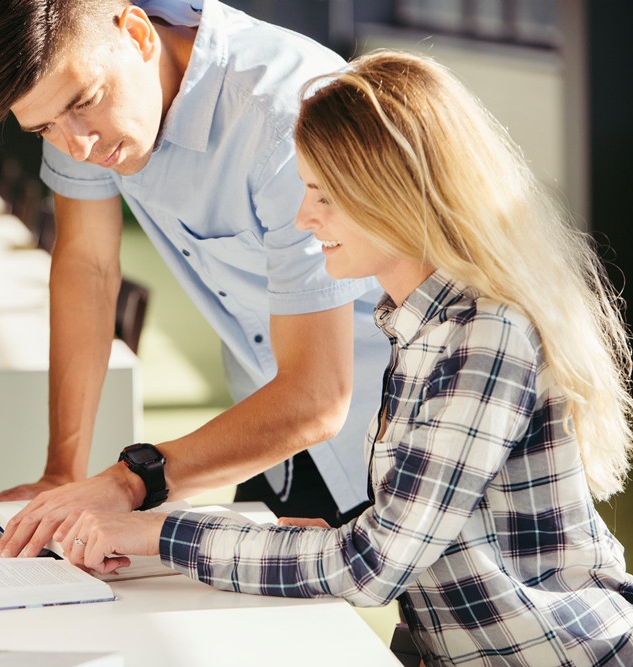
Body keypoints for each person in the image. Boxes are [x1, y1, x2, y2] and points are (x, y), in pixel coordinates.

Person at [55, 50, 633, 665]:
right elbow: (406, 537)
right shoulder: (415, 326)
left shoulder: (485, 337)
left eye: (325, 196)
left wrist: (162, 534)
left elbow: (373, 566)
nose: (304, 218)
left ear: (398, 195)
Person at [0, 0, 391, 554]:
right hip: (271, 427)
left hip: (407, 426)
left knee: (433, 632)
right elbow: (86, 267)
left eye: (85, 103)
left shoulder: (286, 117)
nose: (78, 146)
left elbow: (319, 396)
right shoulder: (76, 104)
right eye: (44, 128)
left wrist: (130, 480)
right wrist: (61, 472)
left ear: (137, 34)